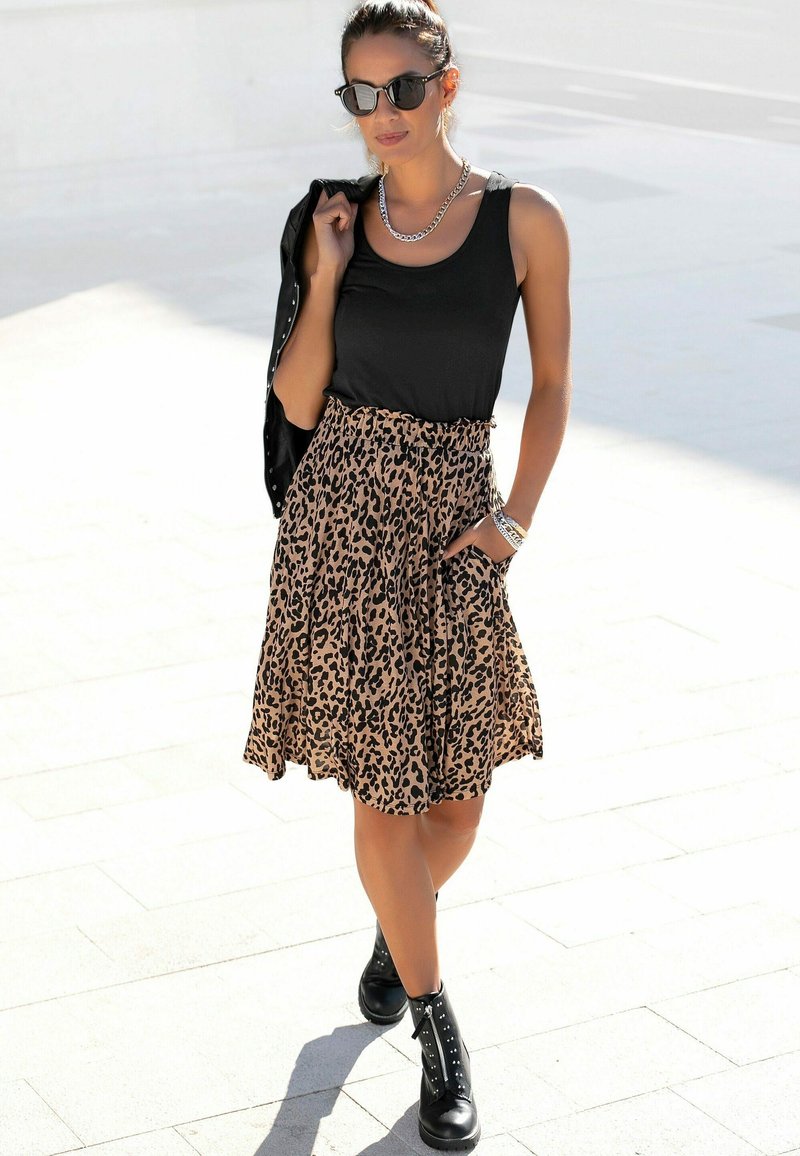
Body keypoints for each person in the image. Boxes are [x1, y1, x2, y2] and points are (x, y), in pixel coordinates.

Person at [243, 0, 572, 1148]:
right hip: (344, 522)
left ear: (447, 86)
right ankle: (438, 1031)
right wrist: (327, 272)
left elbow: (552, 386)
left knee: (456, 796)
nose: (380, 114)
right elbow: (297, 399)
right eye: (359, 94)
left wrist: (513, 521)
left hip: (453, 522)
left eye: (402, 89)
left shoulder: (524, 221)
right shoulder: (329, 220)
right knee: (382, 793)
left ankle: (398, 934)